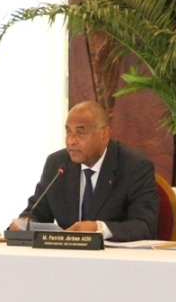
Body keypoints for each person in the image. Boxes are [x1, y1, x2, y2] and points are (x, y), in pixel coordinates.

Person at [11, 100, 159, 242]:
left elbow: (145, 226)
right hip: (66, 257)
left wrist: (98, 228)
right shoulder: (57, 164)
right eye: (68, 132)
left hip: (113, 257)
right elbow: (37, 212)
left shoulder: (134, 167)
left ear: (104, 134)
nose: (71, 141)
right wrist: (26, 222)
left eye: (80, 133)